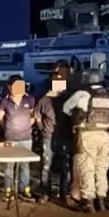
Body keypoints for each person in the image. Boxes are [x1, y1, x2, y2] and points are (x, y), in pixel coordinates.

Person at [63, 68, 109, 213]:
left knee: (86, 167)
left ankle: (88, 201)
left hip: (87, 134)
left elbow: (66, 109)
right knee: (102, 167)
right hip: (105, 135)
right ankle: (101, 199)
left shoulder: (82, 94)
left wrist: (76, 118)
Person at [34, 72, 73, 206]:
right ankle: (45, 193)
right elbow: (37, 116)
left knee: (65, 168)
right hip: (48, 137)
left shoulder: (69, 99)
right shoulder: (44, 100)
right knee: (46, 166)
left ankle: (65, 194)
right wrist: (43, 129)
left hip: (65, 138)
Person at [0, 75, 36, 202]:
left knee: (25, 165)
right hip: (10, 139)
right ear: (9, 87)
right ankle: (8, 191)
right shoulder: (5, 101)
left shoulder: (30, 99)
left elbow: (33, 116)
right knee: (9, 165)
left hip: (26, 138)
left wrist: (26, 127)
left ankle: (24, 190)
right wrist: (8, 128)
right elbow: (0, 118)